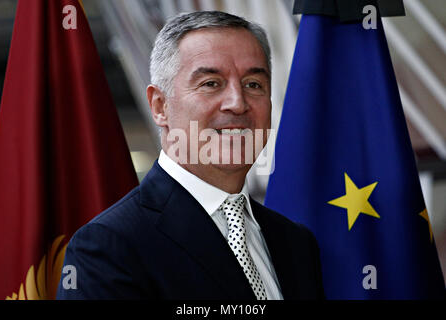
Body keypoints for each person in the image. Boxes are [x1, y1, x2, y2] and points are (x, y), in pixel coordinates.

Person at [56, 10, 324, 300]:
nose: (237, 103)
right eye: (211, 83)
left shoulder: (295, 243)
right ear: (160, 106)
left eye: (253, 84)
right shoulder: (108, 246)